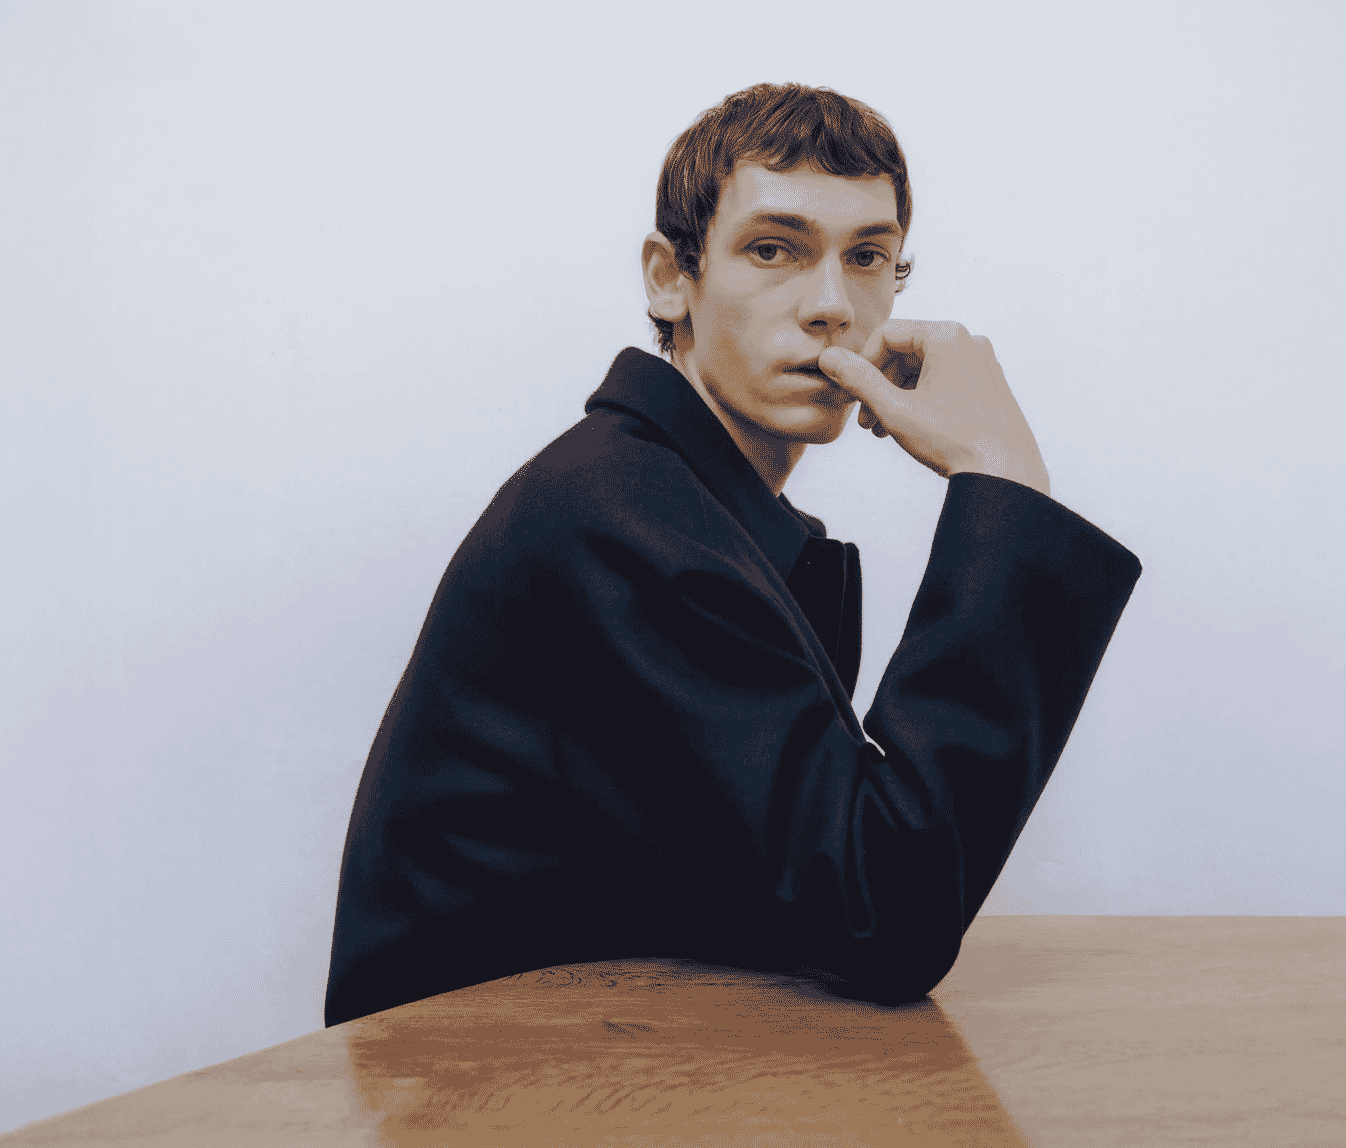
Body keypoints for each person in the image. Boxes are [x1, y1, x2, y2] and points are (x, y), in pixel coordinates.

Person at [324, 83, 1141, 1028]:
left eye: (867, 257)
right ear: (671, 278)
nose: (831, 306)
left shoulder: (681, 503)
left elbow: (800, 889)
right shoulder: (616, 517)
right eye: (773, 250)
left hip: (600, 1055)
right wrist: (1002, 483)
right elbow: (885, 910)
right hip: (481, 1078)